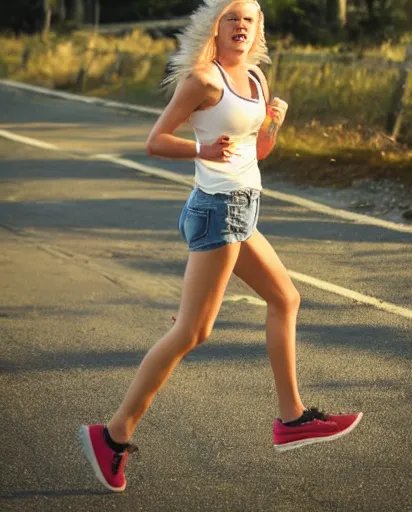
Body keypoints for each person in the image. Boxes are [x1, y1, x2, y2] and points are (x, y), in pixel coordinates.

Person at [79, 0, 363, 493]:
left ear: (258, 31)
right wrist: (200, 149)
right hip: (217, 209)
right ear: (215, 27)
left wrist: (272, 122)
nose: (240, 27)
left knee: (284, 299)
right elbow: (155, 140)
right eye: (231, 18)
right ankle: (113, 434)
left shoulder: (254, 79)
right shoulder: (204, 82)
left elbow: (258, 152)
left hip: (242, 208)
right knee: (192, 331)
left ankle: (290, 419)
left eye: (249, 19)